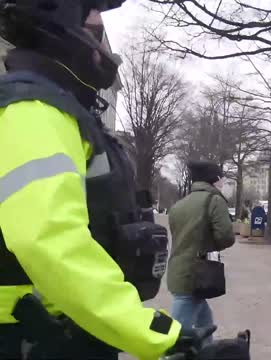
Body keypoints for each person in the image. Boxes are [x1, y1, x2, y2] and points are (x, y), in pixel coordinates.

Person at [0, 1, 207, 359]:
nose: (106, 48)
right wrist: (151, 333)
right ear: (63, 24)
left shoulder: (62, 111)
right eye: (96, 24)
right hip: (34, 337)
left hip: (62, 332)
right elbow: (47, 241)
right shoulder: (33, 111)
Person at [168, 160, 235, 341]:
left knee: (206, 324)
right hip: (196, 275)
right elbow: (226, 236)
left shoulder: (180, 205)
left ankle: (206, 352)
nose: (223, 184)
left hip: (178, 271)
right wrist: (212, 246)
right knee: (176, 338)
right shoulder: (214, 200)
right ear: (214, 180)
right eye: (222, 179)